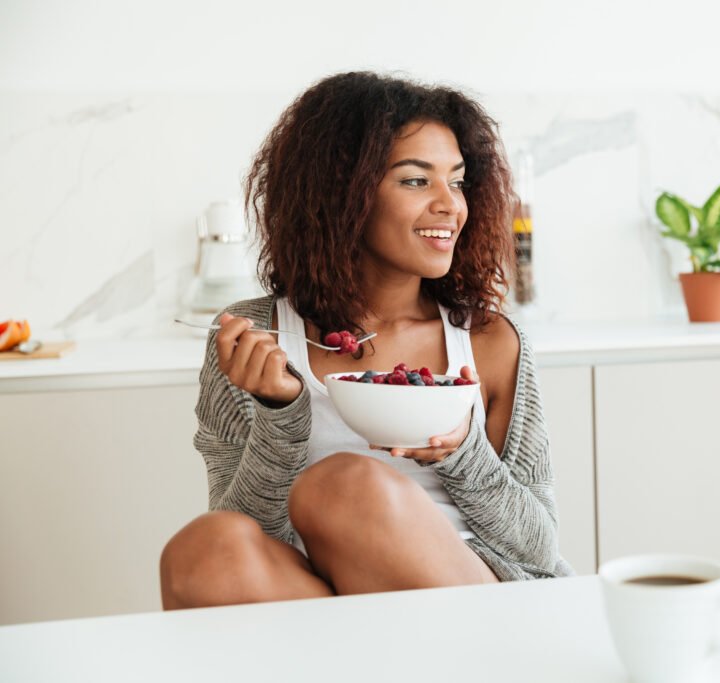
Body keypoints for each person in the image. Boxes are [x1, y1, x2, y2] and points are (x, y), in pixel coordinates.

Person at [159, 72, 574, 609]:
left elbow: (541, 549)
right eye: (416, 181)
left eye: (458, 181)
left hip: (475, 604)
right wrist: (280, 414)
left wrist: (460, 452)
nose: (451, 205)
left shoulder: (489, 340)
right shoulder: (253, 338)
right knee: (203, 550)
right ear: (343, 195)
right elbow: (248, 535)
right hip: (321, 607)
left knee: (343, 486)